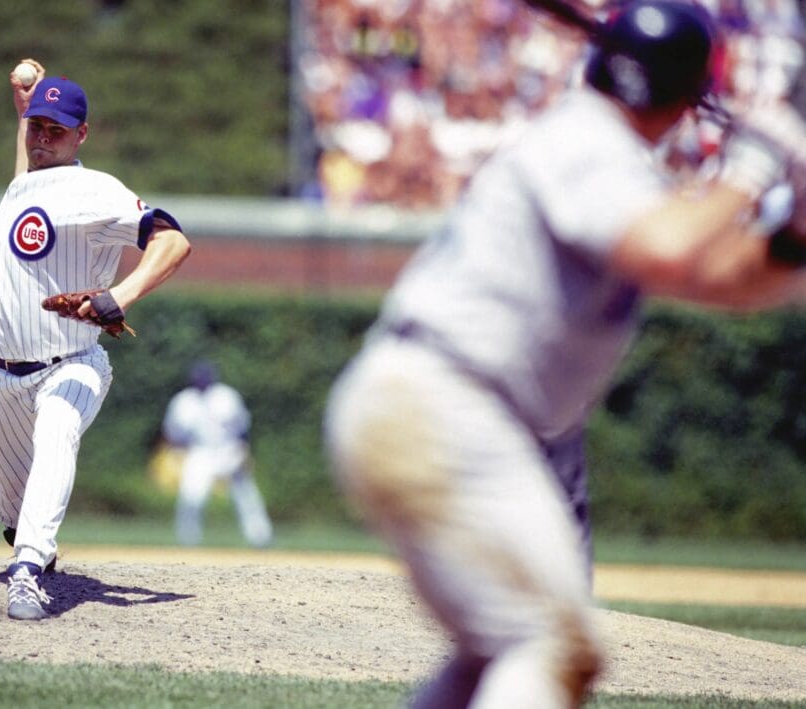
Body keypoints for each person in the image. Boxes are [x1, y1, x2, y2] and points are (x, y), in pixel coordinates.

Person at [323, 2, 806, 706]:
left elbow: (720, 279)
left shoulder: (612, 159)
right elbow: (669, 249)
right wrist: (754, 166)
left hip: (447, 411)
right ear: (684, 91)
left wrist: (794, 232)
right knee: (548, 642)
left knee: (502, 655)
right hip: (444, 404)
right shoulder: (587, 141)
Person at [0, 59, 191, 621]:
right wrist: (26, 105)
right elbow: (29, 158)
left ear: (82, 135)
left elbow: (172, 241)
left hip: (69, 363)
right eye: (36, 128)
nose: (43, 139)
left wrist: (120, 295)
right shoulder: (25, 180)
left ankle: (26, 572)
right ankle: (27, 544)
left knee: (58, 428)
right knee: (11, 509)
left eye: (56, 130)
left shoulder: (94, 191)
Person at [161, 361, 273, 548]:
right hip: (200, 452)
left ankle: (260, 537)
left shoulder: (226, 396)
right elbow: (172, 433)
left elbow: (243, 427)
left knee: (246, 495)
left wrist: (245, 451)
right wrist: (177, 453)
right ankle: (188, 540)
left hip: (229, 449)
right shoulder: (183, 401)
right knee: (191, 496)